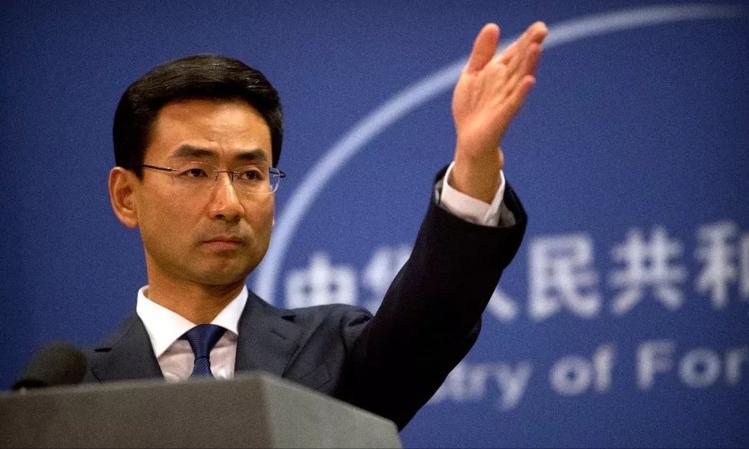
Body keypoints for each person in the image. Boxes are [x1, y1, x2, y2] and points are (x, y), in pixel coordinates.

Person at [84, 22, 548, 430]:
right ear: (126, 196)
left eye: (250, 175)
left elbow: (432, 318)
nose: (228, 205)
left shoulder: (333, 351)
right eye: (194, 172)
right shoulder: (68, 391)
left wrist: (473, 164)